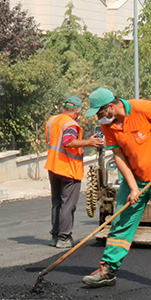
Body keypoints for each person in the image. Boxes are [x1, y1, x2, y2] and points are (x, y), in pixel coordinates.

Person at [81, 88, 151, 291]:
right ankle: (108, 270)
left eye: (100, 113)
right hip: (136, 179)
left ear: (111, 107)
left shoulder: (142, 108)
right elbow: (119, 157)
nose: (99, 118)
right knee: (121, 223)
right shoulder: (108, 127)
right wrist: (131, 187)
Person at [44, 95, 105, 249]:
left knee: (57, 202)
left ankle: (55, 235)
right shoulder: (71, 124)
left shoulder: (52, 121)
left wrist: (85, 143)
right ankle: (64, 237)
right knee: (68, 204)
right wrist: (90, 142)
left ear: (64, 108)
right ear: (77, 112)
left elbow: (53, 141)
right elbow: (68, 142)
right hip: (68, 169)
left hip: (53, 166)